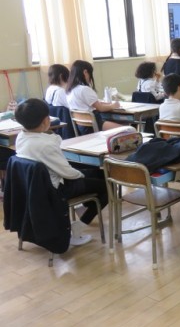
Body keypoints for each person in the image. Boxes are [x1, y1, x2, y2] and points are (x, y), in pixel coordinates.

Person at [14, 98, 109, 246]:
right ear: (46, 121)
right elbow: (68, 173)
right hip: (56, 190)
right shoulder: (46, 144)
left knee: (97, 175)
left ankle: (83, 208)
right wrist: (83, 175)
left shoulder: (21, 137)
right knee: (107, 185)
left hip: (36, 189)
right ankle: (79, 226)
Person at [66, 60, 123, 133]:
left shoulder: (69, 90)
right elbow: (101, 108)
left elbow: (93, 104)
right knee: (129, 129)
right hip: (94, 127)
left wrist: (107, 104)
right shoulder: (84, 89)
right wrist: (114, 105)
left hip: (82, 128)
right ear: (85, 72)